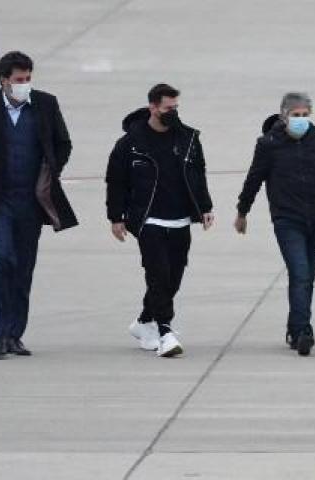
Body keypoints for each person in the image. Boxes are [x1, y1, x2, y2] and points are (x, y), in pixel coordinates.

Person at [0, 51, 78, 359]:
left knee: (23, 270)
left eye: (28, 79)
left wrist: (51, 171)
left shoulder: (46, 104)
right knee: (1, 261)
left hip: (31, 202)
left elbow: (63, 143)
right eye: (19, 80)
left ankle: (14, 335)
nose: (25, 85)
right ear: (4, 80)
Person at [234, 92, 315, 357]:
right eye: (296, 115)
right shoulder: (268, 143)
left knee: (306, 275)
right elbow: (254, 178)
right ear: (284, 115)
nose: (301, 120)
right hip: (287, 219)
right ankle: (302, 331)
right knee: (299, 272)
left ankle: (294, 326)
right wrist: (243, 211)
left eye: (305, 115)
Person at [105, 83, 214, 358]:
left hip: (180, 219)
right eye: (168, 108)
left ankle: (144, 322)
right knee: (158, 275)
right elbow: (115, 182)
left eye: (176, 108)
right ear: (152, 107)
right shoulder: (129, 144)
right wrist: (116, 217)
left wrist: (205, 207)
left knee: (173, 277)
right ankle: (165, 330)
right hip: (149, 219)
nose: (173, 113)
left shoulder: (188, 138)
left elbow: (198, 174)